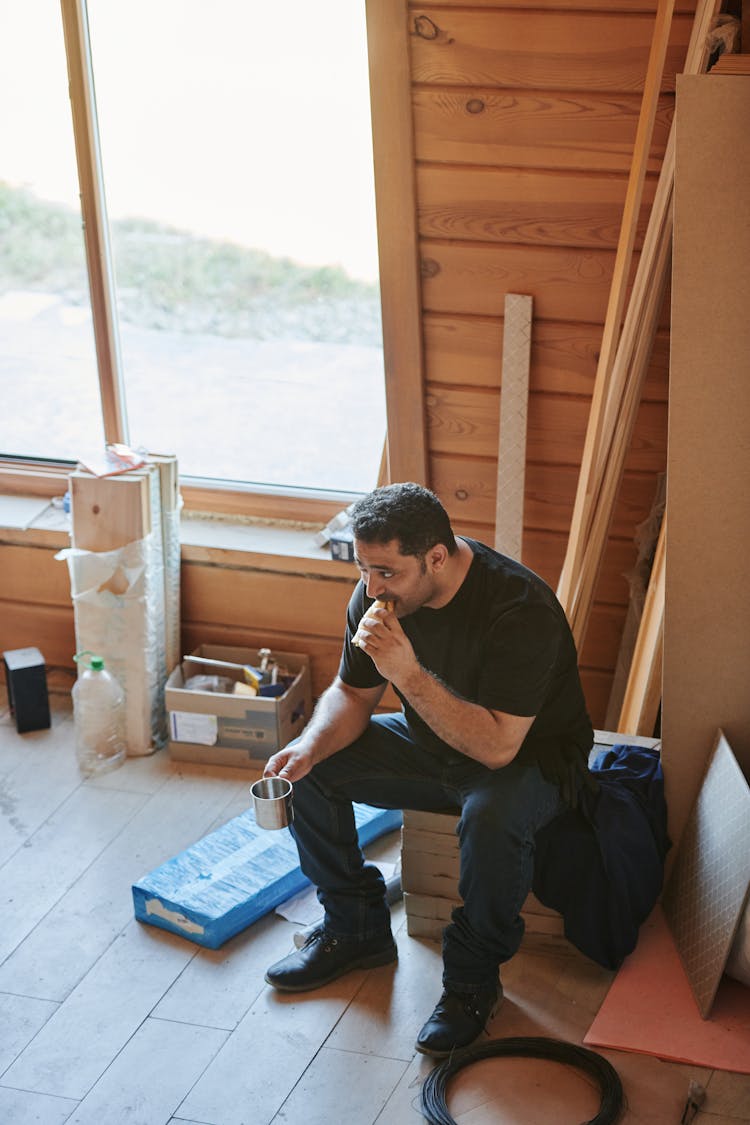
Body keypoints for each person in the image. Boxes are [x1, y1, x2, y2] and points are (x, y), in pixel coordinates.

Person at [262, 482, 593, 1056]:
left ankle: (471, 982)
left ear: (436, 557)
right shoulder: (374, 594)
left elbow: (495, 749)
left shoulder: (520, 609)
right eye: (364, 568)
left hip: (526, 760)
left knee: (492, 820)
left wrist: (408, 672)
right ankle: (354, 928)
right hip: (432, 745)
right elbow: (352, 693)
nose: (372, 587)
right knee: (312, 770)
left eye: (386, 572)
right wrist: (310, 747)